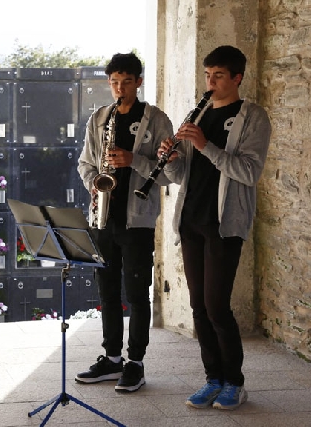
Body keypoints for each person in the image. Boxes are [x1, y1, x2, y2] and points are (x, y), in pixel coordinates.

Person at [160, 45, 271, 410]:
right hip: (191, 219)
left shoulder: (252, 116)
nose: (210, 82)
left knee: (216, 305)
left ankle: (234, 382)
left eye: (218, 76)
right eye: (207, 75)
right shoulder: (200, 113)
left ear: (237, 78)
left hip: (224, 224)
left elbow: (248, 172)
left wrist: (205, 145)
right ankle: (212, 378)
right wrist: (172, 158)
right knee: (197, 306)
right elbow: (181, 176)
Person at [76, 52, 173, 392]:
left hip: (137, 221)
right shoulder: (100, 118)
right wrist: (93, 182)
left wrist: (134, 159)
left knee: (136, 293)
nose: (119, 89)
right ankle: (112, 358)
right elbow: (85, 162)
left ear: (139, 82)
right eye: (114, 82)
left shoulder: (156, 119)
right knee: (107, 290)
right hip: (103, 217)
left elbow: (171, 173)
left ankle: (136, 363)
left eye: (126, 82)